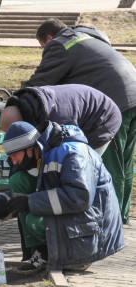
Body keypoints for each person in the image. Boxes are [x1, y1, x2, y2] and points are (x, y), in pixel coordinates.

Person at [0, 121, 125, 272]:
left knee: (35, 221)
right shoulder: (43, 155)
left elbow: (79, 197)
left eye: (14, 156)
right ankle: (41, 253)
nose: (13, 162)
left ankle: (79, 258)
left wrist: (30, 202)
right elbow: (20, 201)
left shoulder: (73, 153)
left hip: (94, 231)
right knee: (19, 181)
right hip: (80, 220)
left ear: (29, 149)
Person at [22, 18, 136, 224]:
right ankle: (122, 215)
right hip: (133, 93)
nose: (44, 52)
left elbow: (42, 80)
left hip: (114, 101)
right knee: (125, 163)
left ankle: (112, 220)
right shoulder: (90, 36)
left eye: (42, 47)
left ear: (48, 38)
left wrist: (19, 98)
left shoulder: (59, 44)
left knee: (112, 164)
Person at [0, 84, 121, 156]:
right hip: (83, 108)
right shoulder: (30, 106)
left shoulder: (59, 119)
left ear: (24, 123)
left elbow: (69, 146)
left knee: (83, 165)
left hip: (104, 118)